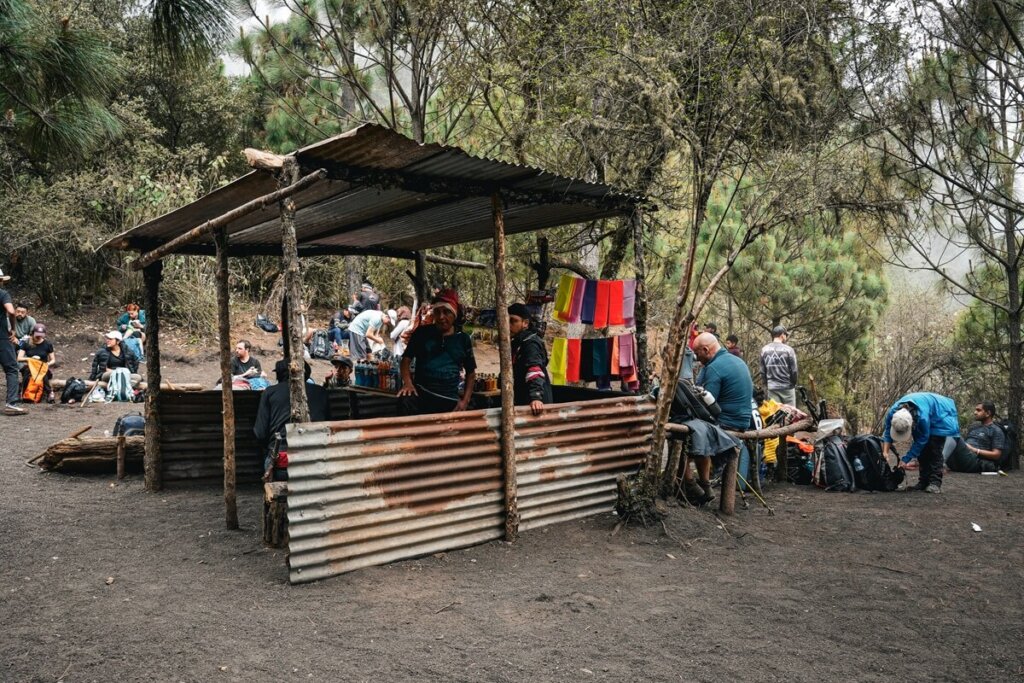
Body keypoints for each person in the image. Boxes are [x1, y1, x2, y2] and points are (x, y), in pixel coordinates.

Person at [687, 332, 754, 504]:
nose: (697, 357)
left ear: (706, 349)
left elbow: (705, 406)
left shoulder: (714, 369)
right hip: (744, 421)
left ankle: (693, 484)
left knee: (687, 432)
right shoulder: (737, 361)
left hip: (727, 421)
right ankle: (700, 484)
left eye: (698, 353)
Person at [398, 289, 476, 414]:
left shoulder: (463, 339)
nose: (441, 317)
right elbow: (405, 360)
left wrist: (465, 401)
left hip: (448, 398)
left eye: (446, 312)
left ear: (454, 314)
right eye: (437, 312)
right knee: (405, 403)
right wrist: (408, 383)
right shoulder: (422, 333)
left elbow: (471, 373)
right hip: (422, 394)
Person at [254, 360, 331, 481]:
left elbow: (260, 433)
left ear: (280, 374)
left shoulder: (270, 392)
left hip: (281, 462)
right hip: (316, 460)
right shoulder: (321, 392)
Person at [882, 392, 961, 493]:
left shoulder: (922, 417)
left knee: (934, 448)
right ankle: (923, 482)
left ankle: (934, 483)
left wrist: (905, 459)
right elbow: (888, 432)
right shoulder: (892, 413)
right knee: (922, 452)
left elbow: (922, 440)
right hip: (924, 410)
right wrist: (885, 452)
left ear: (912, 424)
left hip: (940, 412)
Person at [508, 303, 552, 416]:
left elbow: (534, 368)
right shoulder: (518, 342)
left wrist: (536, 396)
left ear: (525, 323)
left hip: (536, 405)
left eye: (513, 321)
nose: (508, 325)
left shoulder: (530, 342)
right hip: (524, 400)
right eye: (506, 320)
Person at [946, 402, 1006, 473]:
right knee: (942, 433)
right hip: (960, 460)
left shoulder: (996, 430)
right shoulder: (974, 427)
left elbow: (996, 455)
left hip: (975, 461)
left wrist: (975, 450)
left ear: (988, 413)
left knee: (952, 433)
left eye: (978, 410)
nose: (975, 412)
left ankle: (940, 463)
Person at [1, 268, 26, 415]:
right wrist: (13, 329)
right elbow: (11, 311)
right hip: (2, 338)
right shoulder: (3, 294)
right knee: (11, 369)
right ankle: (11, 403)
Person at [759, 325, 798, 406]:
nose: (786, 337)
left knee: (775, 415)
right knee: (790, 415)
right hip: (787, 387)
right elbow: (794, 370)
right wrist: (793, 383)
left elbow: (763, 371)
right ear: (782, 335)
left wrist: (766, 385)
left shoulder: (764, 350)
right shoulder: (789, 350)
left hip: (772, 388)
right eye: (786, 335)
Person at [17, 324, 55, 403]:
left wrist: (47, 364)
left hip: (43, 367)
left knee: (42, 372)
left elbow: (53, 360)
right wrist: (30, 359)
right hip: (30, 367)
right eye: (37, 335)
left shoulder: (48, 344)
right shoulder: (26, 343)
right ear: (33, 332)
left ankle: (49, 393)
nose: (39, 337)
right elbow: (19, 358)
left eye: (41, 335)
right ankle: (21, 392)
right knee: (28, 371)